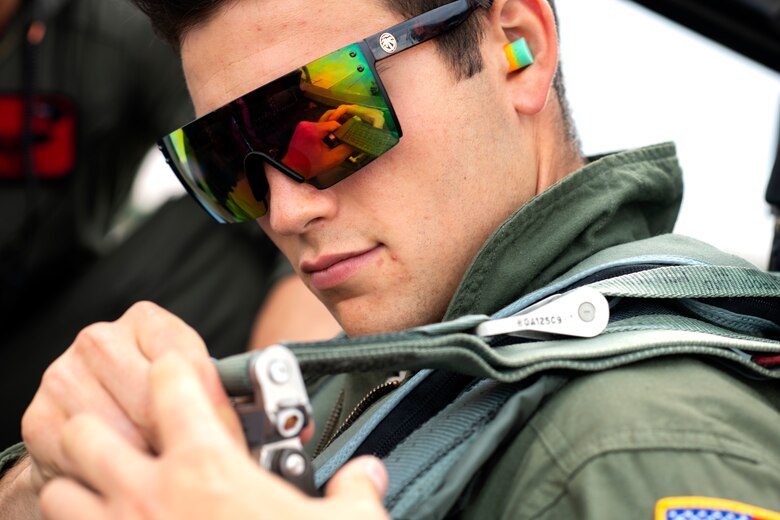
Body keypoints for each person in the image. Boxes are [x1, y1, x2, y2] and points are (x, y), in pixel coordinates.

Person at [1, 0, 780, 518]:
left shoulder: (640, 441)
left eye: (329, 118)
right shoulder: (377, 369)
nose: (283, 209)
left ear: (519, 47)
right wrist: (56, 473)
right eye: (224, 159)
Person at [0, 0, 338, 448]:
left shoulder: (110, 29)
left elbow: (249, 161)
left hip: (43, 327)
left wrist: (276, 390)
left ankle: (273, 434)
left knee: (234, 213)